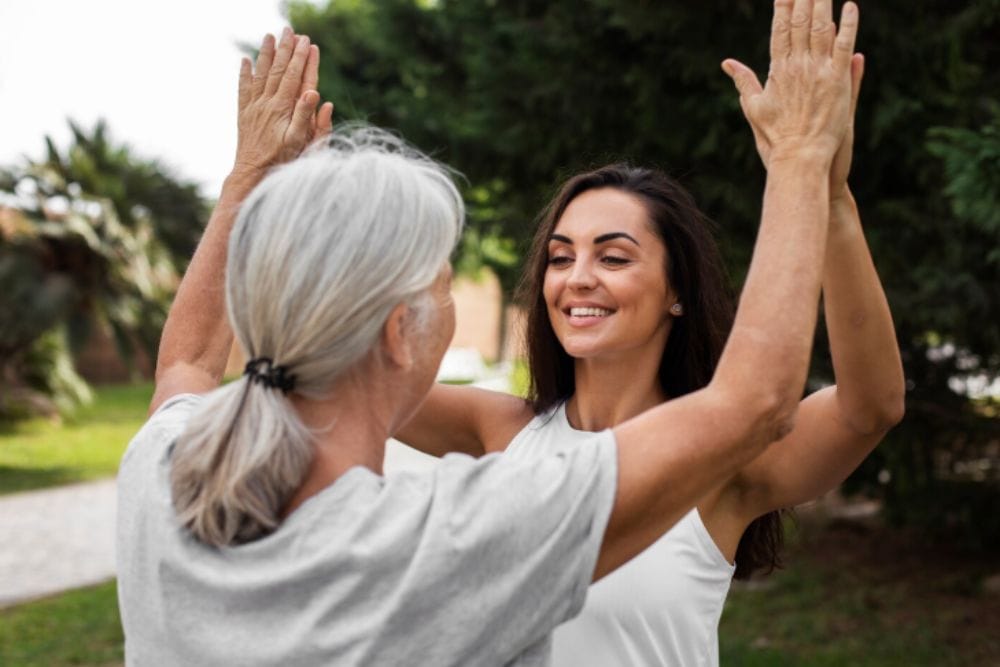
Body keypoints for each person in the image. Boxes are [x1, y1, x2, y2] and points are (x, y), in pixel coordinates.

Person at [116, 3, 860, 664]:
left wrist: (250, 175)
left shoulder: (164, 464)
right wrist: (801, 157)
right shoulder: (441, 546)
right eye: (443, 281)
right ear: (400, 332)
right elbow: (755, 399)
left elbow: (185, 360)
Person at [397, 1, 903, 665]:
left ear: (676, 294)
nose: (577, 277)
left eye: (612, 256)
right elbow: (338, 376)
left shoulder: (722, 461)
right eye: (559, 256)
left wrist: (829, 195)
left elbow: (871, 406)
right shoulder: (499, 431)